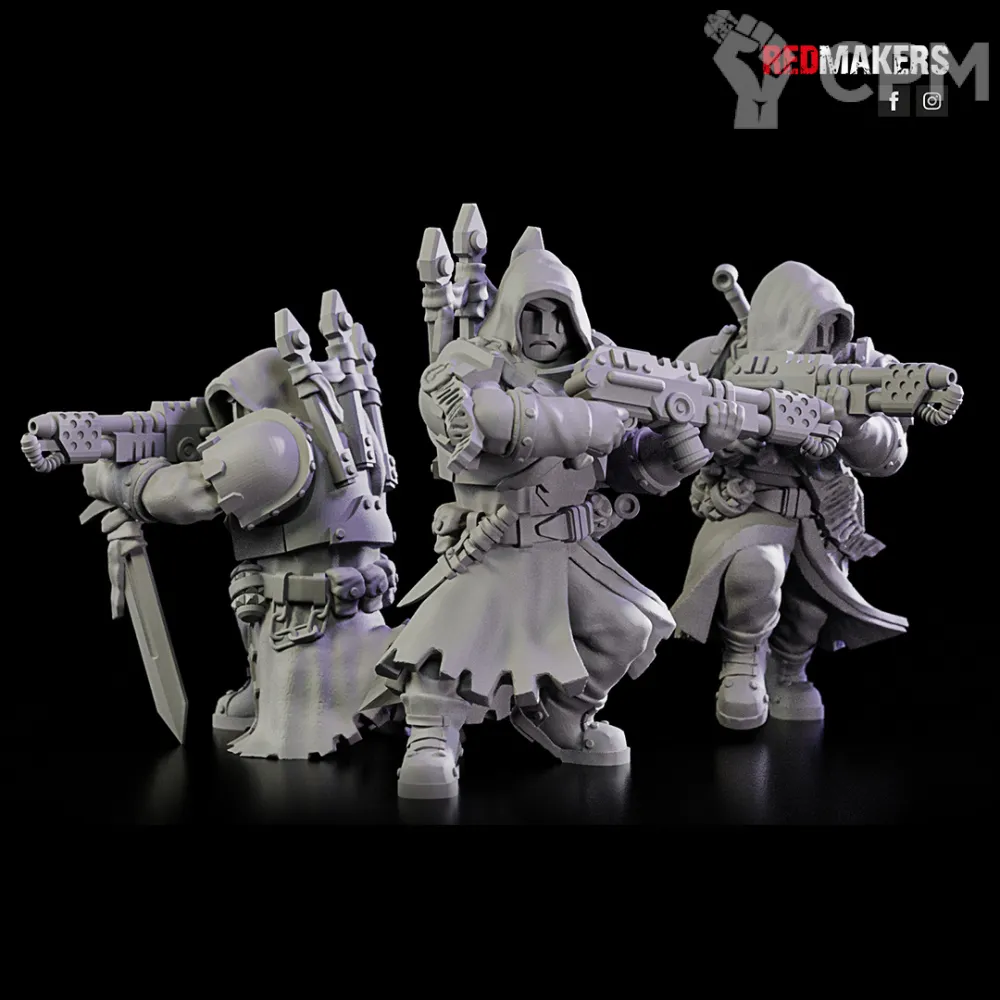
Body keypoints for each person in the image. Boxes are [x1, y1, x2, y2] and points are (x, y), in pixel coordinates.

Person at [368, 223, 744, 799]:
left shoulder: (599, 373)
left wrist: (701, 440)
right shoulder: (468, 363)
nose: (547, 329)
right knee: (449, 647)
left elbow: (631, 467)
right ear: (509, 314)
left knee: (628, 628)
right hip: (494, 540)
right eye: (533, 314)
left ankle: (561, 715)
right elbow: (480, 418)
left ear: (577, 319)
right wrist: (590, 422)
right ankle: (431, 736)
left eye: (559, 315)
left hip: (566, 547)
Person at [671, 260, 911, 730]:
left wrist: (853, 425)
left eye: (831, 329)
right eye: (811, 328)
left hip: (824, 512)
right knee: (754, 572)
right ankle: (742, 660)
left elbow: (890, 454)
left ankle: (790, 670)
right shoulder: (721, 355)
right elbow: (669, 418)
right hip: (752, 501)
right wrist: (717, 439)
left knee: (811, 611)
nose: (822, 341)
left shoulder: (857, 365)